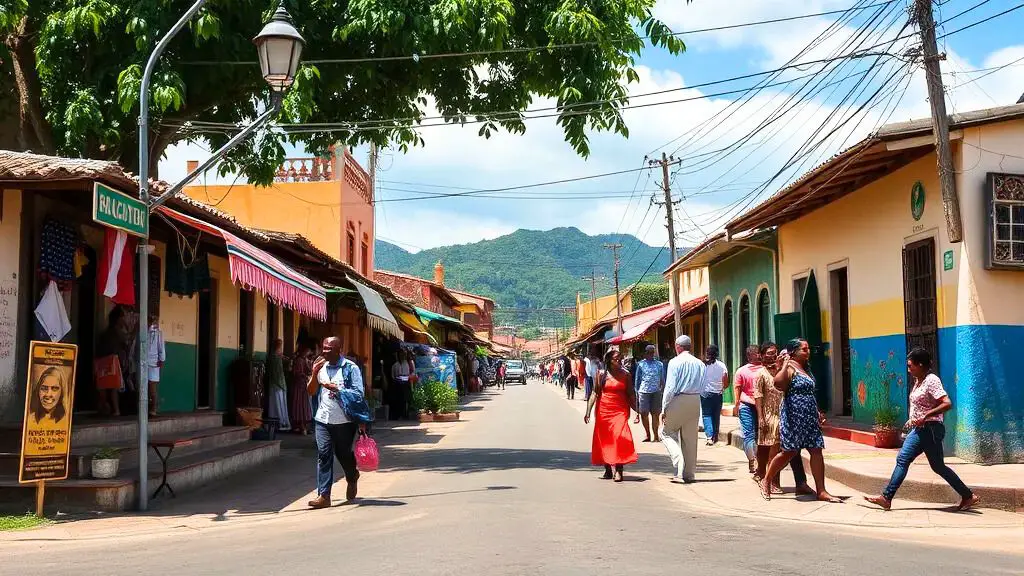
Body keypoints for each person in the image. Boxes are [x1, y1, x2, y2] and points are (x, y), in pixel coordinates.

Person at [865, 348, 979, 511]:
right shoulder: (918, 380)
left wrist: (925, 416)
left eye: (911, 366)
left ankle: (968, 496)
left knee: (937, 466)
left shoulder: (931, 380)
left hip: (931, 429)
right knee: (904, 459)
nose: (908, 369)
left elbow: (947, 403)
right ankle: (886, 497)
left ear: (920, 364)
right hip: (920, 429)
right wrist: (912, 420)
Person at [759, 339, 839, 502]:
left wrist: (817, 412)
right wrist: (783, 365)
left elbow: (810, 393)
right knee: (789, 451)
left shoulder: (806, 369)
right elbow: (778, 384)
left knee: (816, 450)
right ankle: (766, 480)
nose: (808, 351)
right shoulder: (789, 367)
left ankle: (821, 490)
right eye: (804, 349)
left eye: (808, 348)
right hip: (793, 416)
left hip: (808, 416)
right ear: (794, 352)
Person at [307, 336, 365, 509]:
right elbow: (311, 391)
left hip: (344, 421)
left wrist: (338, 389)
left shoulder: (350, 368)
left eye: (329, 349)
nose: (324, 352)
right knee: (324, 454)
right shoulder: (320, 366)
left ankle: (352, 476)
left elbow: (358, 393)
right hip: (323, 419)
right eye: (323, 348)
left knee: (344, 453)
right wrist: (314, 373)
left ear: (339, 349)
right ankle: (324, 496)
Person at [753, 342, 811, 495]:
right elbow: (758, 396)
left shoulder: (785, 370)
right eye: (769, 353)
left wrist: (781, 366)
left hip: (786, 412)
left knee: (791, 449)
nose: (772, 355)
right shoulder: (761, 374)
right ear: (762, 355)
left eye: (774, 352)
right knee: (774, 449)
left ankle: (799, 482)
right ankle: (771, 481)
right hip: (770, 415)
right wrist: (761, 417)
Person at [584, 349, 638, 482]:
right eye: (616, 359)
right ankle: (608, 468)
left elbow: (631, 394)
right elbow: (594, 393)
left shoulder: (626, 375)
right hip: (603, 411)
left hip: (620, 411)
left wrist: (637, 411)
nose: (619, 361)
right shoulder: (601, 374)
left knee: (620, 437)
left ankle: (619, 469)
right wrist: (588, 412)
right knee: (606, 439)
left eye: (621, 358)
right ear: (609, 360)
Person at [661, 335, 706, 483]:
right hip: (695, 400)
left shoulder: (675, 362)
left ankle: (678, 463)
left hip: (678, 399)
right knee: (690, 439)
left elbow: (670, 387)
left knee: (666, 433)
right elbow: (704, 386)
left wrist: (664, 408)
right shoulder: (700, 364)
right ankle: (689, 473)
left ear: (677, 347)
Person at [634, 345, 666, 443]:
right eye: (648, 352)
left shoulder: (659, 364)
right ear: (645, 353)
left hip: (656, 391)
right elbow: (637, 379)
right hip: (643, 392)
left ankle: (656, 435)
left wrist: (663, 390)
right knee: (644, 413)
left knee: (655, 414)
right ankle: (648, 434)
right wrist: (636, 391)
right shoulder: (641, 364)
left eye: (652, 352)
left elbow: (662, 378)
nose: (650, 354)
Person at [700, 344, 728, 446]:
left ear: (707, 353)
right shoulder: (722, 366)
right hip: (718, 394)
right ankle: (715, 436)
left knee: (706, 415)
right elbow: (725, 381)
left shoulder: (702, 365)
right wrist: (721, 388)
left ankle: (709, 437)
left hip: (705, 394)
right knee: (716, 415)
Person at [266, 338, 291, 431]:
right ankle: (278, 422)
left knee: (279, 402)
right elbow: (276, 372)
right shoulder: (274, 357)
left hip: (279, 382)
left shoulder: (277, 357)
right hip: (276, 383)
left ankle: (281, 421)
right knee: (276, 403)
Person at [289, 343, 314, 434]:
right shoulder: (299, 360)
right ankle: (301, 426)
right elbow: (297, 373)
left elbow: (309, 370)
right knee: (300, 406)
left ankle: (303, 426)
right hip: (299, 386)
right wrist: (305, 376)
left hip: (304, 386)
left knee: (304, 406)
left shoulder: (304, 360)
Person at [146, 312, 166, 417]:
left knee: (152, 386)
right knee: (143, 386)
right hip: (143, 362)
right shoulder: (142, 330)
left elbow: (161, 346)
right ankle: (144, 408)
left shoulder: (158, 332)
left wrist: (161, 359)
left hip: (154, 362)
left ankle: (153, 409)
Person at [390, 349, 412, 419]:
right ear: (398, 355)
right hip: (397, 384)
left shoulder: (408, 364)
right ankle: (397, 414)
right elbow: (393, 376)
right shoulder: (395, 365)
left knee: (405, 399)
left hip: (406, 383)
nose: (402, 356)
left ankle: (405, 414)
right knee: (398, 400)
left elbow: (411, 373)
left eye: (403, 355)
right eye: (400, 355)